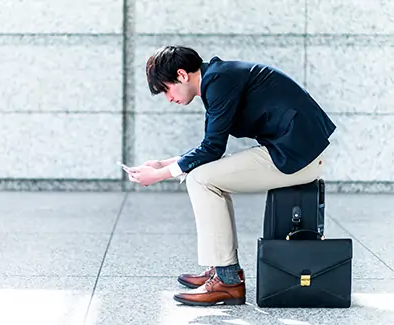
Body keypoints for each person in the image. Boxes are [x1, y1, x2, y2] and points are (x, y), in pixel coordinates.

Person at [125, 45, 336, 306]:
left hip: (297, 156)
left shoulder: (219, 80)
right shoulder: (217, 78)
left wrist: (159, 175)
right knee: (204, 176)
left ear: (181, 75)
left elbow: (212, 148)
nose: (168, 98)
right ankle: (223, 270)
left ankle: (227, 281)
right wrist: (162, 164)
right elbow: (208, 148)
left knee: (200, 179)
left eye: (166, 89)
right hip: (294, 150)